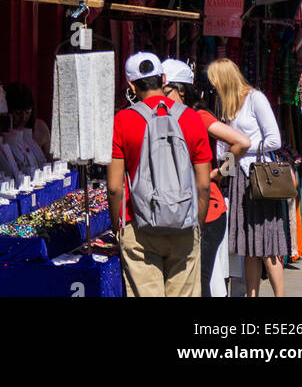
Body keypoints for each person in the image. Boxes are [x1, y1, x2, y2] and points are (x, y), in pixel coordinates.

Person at [107, 52, 211, 297]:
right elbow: (203, 185)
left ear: (131, 85)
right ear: (163, 79)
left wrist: (118, 227)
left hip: (139, 226)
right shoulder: (192, 119)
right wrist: (198, 225)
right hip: (184, 225)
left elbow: (114, 187)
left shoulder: (122, 120)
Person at [162, 58, 250, 297]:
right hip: (185, 212)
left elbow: (242, 142)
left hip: (207, 213)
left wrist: (221, 172)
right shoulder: (168, 116)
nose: (160, 96)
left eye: (164, 90)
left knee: (198, 283)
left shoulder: (198, 116)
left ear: (181, 90)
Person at [206, 58, 288, 298]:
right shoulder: (228, 104)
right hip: (241, 179)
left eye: (215, 82)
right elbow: (228, 147)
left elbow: (274, 140)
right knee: (248, 244)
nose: (213, 87)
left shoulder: (255, 99)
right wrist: (224, 168)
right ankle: (251, 295)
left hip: (260, 179)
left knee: (266, 243)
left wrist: (242, 146)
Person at [4, 81, 52, 160]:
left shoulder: (40, 128)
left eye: (27, 112)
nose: (23, 118)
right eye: (18, 113)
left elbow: (51, 160)